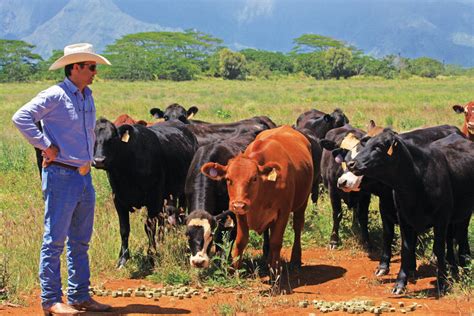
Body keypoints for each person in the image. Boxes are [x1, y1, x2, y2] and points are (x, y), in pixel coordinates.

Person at [12, 43, 112, 315]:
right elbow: (21, 117)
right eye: (91, 67)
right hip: (60, 174)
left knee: (80, 240)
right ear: (75, 67)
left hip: (83, 175)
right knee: (55, 240)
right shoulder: (55, 95)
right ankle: (51, 300)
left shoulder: (86, 95)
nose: (94, 72)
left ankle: (80, 295)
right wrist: (45, 145)